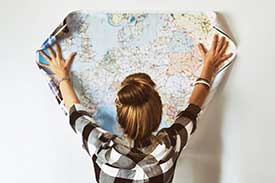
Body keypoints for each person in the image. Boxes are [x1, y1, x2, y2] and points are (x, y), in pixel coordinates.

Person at [38, 34, 233, 183]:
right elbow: (193, 108)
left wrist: (62, 76)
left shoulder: (101, 148)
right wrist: (208, 65)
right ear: (158, 114)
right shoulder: (169, 146)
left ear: (120, 115)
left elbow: (75, 113)